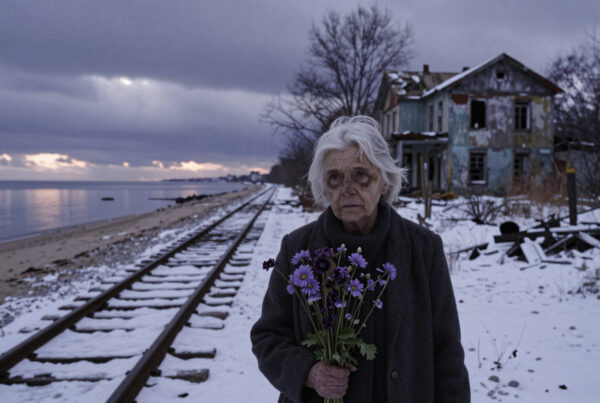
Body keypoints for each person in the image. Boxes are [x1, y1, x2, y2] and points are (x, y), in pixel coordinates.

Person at [251, 116, 470, 402]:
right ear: (324, 187)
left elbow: (447, 353)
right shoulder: (298, 249)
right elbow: (268, 337)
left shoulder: (423, 249)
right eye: (335, 178)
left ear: (384, 181)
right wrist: (309, 372)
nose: (347, 189)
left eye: (361, 175)